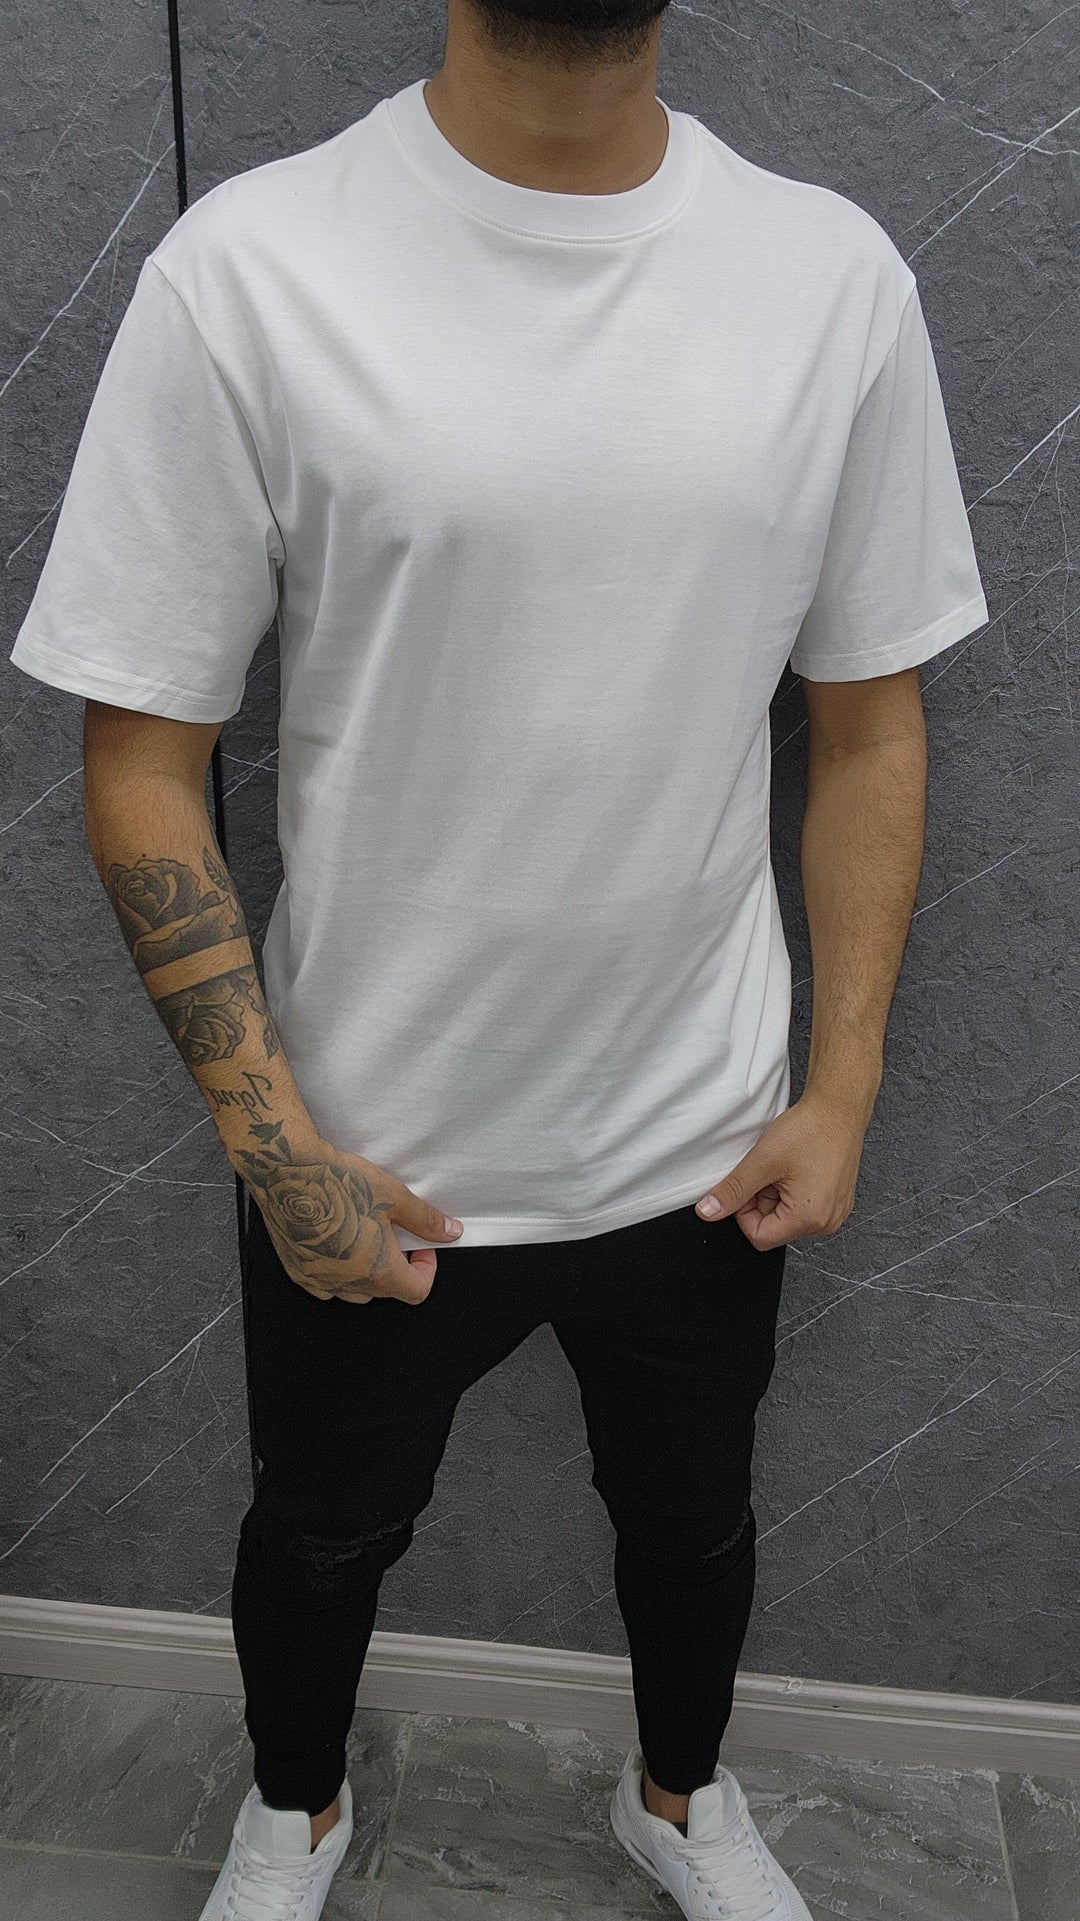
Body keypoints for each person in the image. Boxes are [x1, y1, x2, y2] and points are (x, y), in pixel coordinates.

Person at [10, 0, 989, 1914]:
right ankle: (295, 1813)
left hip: (704, 1141)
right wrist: (277, 1148)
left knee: (692, 1524)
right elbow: (141, 753)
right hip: (370, 1147)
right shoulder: (249, 272)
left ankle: (679, 1799)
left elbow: (872, 719)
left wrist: (846, 1083)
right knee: (319, 1536)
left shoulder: (831, 281)